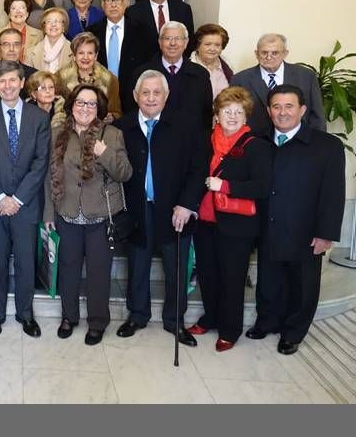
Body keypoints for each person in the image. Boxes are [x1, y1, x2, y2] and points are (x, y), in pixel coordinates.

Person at [246, 85, 345, 355]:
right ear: (268, 111)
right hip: (267, 226)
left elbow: (334, 194)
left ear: (302, 110)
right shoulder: (258, 141)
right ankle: (267, 321)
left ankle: (293, 332)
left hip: (305, 230)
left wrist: (326, 233)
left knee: (302, 285)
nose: (282, 112)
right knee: (268, 280)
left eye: (289, 106)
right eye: (276, 106)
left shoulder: (327, 146)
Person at [113, 70, 206, 346]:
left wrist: (188, 205)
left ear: (166, 96)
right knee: (138, 264)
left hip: (176, 210)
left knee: (176, 267)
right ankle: (137, 315)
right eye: (145, 92)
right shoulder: (122, 127)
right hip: (138, 209)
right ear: (135, 96)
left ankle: (175, 320)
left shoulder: (187, 125)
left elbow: (198, 168)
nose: (151, 98)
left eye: (157, 93)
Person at [44, 84, 132, 344]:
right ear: (72, 105)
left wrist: (103, 153)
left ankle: (97, 322)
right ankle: (68, 317)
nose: (85, 108)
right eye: (80, 103)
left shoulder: (112, 134)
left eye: (91, 104)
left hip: (100, 217)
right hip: (67, 214)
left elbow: (125, 173)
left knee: (98, 271)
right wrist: (49, 214)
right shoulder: (58, 134)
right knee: (68, 269)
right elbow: (49, 177)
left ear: (99, 109)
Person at [189, 87, 272, 352]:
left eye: (238, 112)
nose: (232, 116)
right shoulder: (204, 139)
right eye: (227, 111)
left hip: (237, 226)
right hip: (204, 220)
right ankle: (210, 317)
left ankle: (230, 328)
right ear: (217, 114)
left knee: (232, 278)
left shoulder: (256, 146)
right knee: (208, 274)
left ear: (246, 117)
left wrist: (224, 186)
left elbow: (261, 186)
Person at [0, 60, 51, 338]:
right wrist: (0, 198)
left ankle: (25, 314)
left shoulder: (39, 118)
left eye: (12, 80)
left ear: (21, 83)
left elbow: (41, 163)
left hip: (26, 204)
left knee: (25, 261)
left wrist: (17, 198)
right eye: (1, 81)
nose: (7, 86)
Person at [230, 33, 326, 137]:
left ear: (285, 53)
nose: (269, 57)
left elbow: (317, 116)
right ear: (256, 54)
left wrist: (318, 144)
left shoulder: (306, 76)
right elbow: (232, 116)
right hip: (255, 143)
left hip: (298, 142)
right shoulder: (240, 79)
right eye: (264, 52)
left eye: (275, 53)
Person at [130, 21, 213, 130]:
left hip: (190, 140)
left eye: (178, 38)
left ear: (186, 42)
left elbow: (206, 115)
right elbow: (131, 111)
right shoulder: (141, 73)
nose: (172, 43)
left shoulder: (201, 74)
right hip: (153, 138)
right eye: (167, 38)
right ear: (160, 42)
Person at [125, 0, 194, 59]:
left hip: (176, 64)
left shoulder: (183, 9)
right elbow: (131, 44)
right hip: (145, 65)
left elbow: (189, 40)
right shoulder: (133, 12)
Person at [58, 32, 123, 120]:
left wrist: (111, 116)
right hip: (69, 128)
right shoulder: (60, 78)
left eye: (90, 53)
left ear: (96, 56)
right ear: (74, 56)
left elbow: (117, 112)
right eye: (81, 53)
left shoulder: (110, 79)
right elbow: (57, 112)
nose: (86, 57)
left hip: (99, 129)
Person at [0, 0, 43, 65]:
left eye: (22, 8)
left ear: (27, 12)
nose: (18, 11)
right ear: (8, 13)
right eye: (13, 8)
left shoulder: (39, 35)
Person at [190, 24, 234, 100]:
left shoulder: (228, 68)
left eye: (217, 45)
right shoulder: (188, 67)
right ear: (198, 46)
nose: (212, 49)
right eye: (208, 44)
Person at [26, 7, 72, 73]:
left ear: (63, 27)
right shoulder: (30, 52)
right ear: (44, 27)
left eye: (57, 21)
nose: (53, 24)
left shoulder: (73, 50)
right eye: (49, 21)